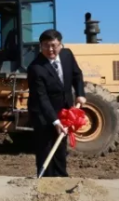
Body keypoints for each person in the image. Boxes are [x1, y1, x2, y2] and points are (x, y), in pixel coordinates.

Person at [27, 29, 86, 177]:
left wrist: (80, 94)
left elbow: (77, 75)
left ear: (60, 45)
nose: (50, 49)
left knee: (60, 146)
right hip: (42, 112)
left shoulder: (67, 55)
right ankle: (46, 180)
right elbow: (42, 98)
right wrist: (55, 121)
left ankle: (61, 177)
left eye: (54, 45)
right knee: (46, 146)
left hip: (64, 109)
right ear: (40, 46)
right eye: (46, 46)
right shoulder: (35, 68)